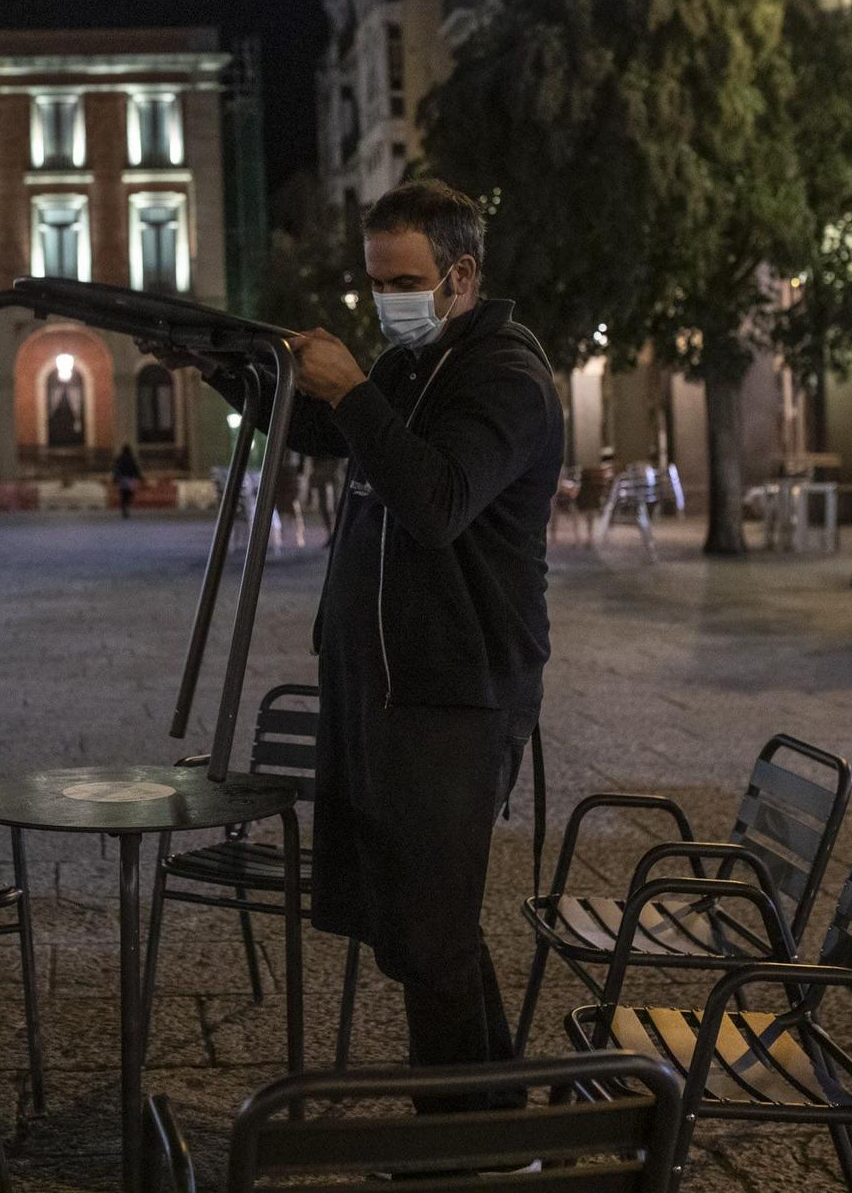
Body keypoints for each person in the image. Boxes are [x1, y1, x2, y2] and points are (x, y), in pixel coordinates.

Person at [160, 179, 562, 1112]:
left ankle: (468, 1150)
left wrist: (354, 390)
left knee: (434, 932)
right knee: (421, 928)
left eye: (405, 279)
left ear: (460, 276)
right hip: (386, 680)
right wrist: (224, 365)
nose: (388, 299)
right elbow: (323, 429)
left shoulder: (504, 374)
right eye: (377, 280)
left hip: (456, 687)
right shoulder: (416, 365)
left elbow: (437, 500)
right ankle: (486, 1135)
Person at [112, 443, 142, 519]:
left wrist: (115, 478)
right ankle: (126, 505)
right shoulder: (131, 458)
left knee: (123, 494)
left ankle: (124, 506)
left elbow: (116, 469)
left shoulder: (119, 459)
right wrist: (139, 477)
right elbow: (136, 469)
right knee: (129, 493)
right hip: (130, 479)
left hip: (122, 478)